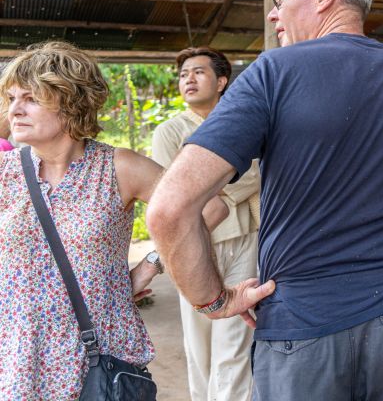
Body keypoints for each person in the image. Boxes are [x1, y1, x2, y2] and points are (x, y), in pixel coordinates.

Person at [147, 0, 383, 400]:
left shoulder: (273, 73)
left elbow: (169, 207)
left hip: (301, 323)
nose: (272, 14)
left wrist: (215, 300)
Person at [0, 41, 225, 400]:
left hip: (96, 353)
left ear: (70, 100)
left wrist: (151, 265)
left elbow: (211, 207)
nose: (15, 110)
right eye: (11, 99)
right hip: (19, 354)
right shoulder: (5, 172)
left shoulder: (118, 168)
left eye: (30, 98)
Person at [152, 46, 261, 401]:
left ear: (222, 81)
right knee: (198, 343)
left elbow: (258, 174)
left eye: (198, 72)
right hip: (194, 242)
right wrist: (226, 189)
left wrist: (212, 193)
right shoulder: (169, 132)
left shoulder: (244, 122)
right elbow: (171, 193)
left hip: (244, 237)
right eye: (184, 75)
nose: (189, 80)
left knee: (235, 341)